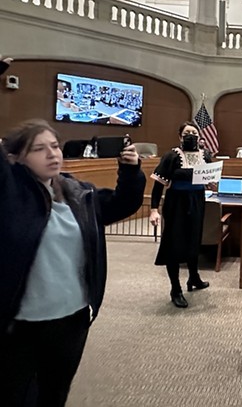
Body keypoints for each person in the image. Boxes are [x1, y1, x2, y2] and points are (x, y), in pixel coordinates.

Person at [0, 119, 145, 406]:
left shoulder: (79, 193)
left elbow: (122, 205)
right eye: (39, 149)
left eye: (55, 146)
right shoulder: (9, 195)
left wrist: (130, 171)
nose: (52, 154)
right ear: (15, 159)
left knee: (55, 393)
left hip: (71, 319)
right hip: (20, 324)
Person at [149, 122, 212, 309]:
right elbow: (158, 185)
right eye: (187, 133)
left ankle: (194, 278)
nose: (191, 135)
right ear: (180, 136)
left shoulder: (205, 155)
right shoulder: (171, 156)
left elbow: (209, 178)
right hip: (176, 203)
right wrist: (154, 209)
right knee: (174, 245)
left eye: (194, 132)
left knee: (194, 240)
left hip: (198, 200)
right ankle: (175, 289)